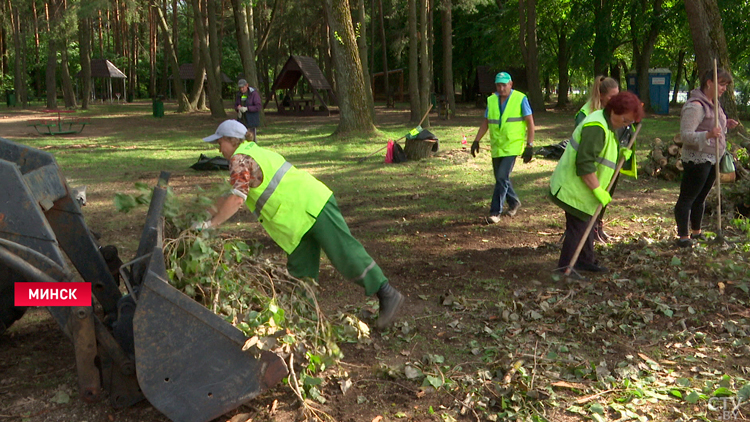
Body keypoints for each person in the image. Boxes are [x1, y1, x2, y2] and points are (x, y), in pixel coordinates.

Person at [192, 120, 404, 328]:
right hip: (296, 220)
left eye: (219, 143)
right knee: (301, 276)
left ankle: (387, 293)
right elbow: (228, 195)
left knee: (344, 253)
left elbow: (237, 198)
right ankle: (306, 324)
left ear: (232, 140)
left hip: (312, 207)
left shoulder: (240, 159)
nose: (218, 150)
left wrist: (212, 226)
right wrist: (206, 216)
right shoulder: (253, 152)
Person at [549, 91, 644, 274]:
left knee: (588, 224)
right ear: (614, 111)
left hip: (583, 190)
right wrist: (598, 189)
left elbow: (602, 153)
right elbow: (584, 164)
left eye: (630, 123)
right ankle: (565, 268)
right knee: (578, 228)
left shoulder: (608, 123)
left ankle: (584, 261)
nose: (626, 125)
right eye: (625, 121)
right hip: (573, 188)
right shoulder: (597, 127)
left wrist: (620, 153)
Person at [674, 68, 739, 248]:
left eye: (726, 85)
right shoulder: (695, 106)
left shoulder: (714, 104)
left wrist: (726, 125)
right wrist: (708, 135)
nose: (724, 88)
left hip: (713, 157)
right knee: (687, 198)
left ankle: (696, 232)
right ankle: (683, 237)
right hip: (697, 158)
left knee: (701, 198)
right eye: (721, 84)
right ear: (709, 82)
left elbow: (715, 128)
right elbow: (686, 136)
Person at [574, 76, 636, 244]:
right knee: (589, 204)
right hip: (592, 169)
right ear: (601, 95)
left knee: (603, 201)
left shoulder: (612, 111)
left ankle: (597, 227)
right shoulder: (588, 113)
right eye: (611, 96)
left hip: (608, 166)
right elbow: (586, 148)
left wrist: (620, 150)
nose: (615, 100)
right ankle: (588, 233)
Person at [471, 72, 535, 223]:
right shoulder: (492, 100)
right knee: (501, 178)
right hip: (497, 146)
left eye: (504, 85)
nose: (501, 88)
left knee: (501, 177)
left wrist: (529, 145)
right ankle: (513, 202)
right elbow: (486, 122)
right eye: (498, 85)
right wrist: (476, 140)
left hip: (512, 146)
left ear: (510, 84)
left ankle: (495, 212)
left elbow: (530, 123)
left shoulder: (520, 98)